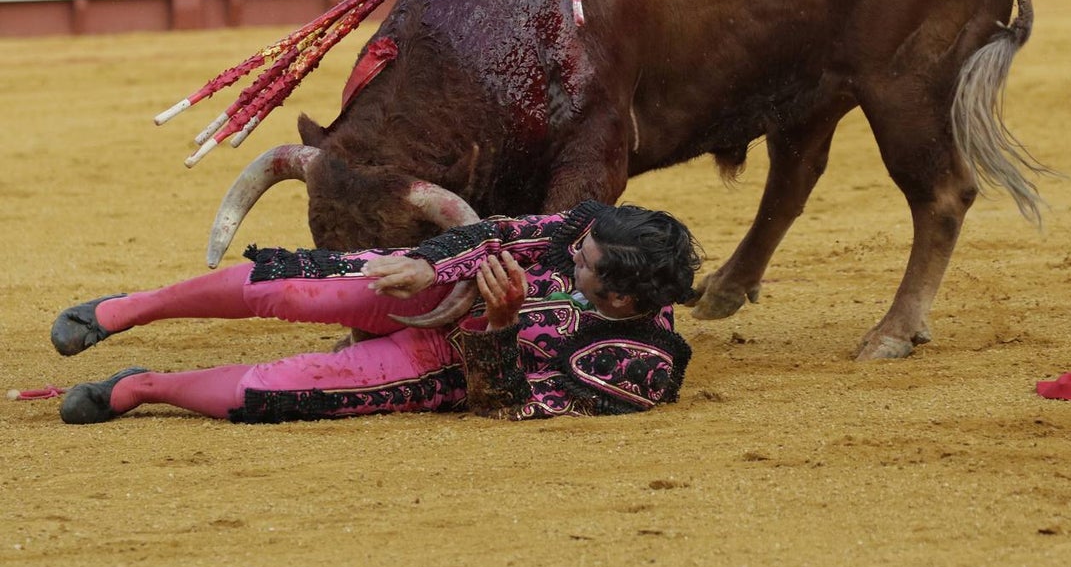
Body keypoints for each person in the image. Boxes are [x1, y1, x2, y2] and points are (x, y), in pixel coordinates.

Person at [50, 201, 702, 425]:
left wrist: (501, 326)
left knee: (274, 390)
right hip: (429, 288)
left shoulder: (639, 367)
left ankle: (143, 387)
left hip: (440, 364)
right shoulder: (596, 228)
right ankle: (129, 308)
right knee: (291, 286)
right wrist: (427, 265)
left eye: (584, 261)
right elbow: (502, 231)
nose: (572, 250)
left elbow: (509, 405)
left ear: (620, 298)